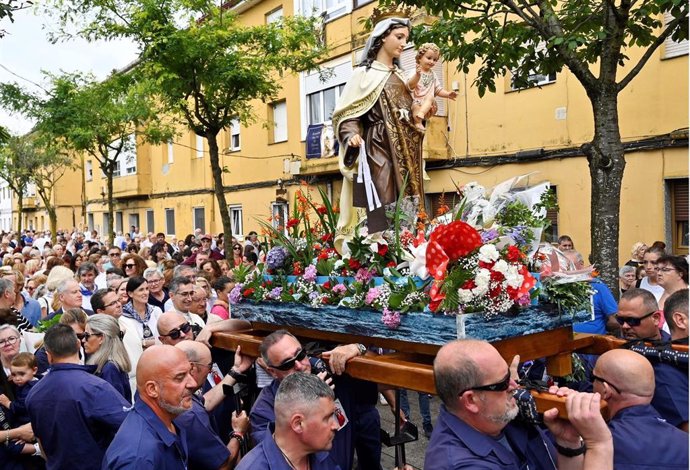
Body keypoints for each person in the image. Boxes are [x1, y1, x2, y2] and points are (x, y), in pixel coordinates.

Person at [332, 17, 424, 242]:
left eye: (406, 39)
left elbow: (411, 111)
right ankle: (377, 243)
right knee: (382, 190)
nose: (403, 43)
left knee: (407, 196)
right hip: (377, 144)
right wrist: (350, 134)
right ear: (383, 37)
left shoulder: (402, 77)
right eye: (399, 37)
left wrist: (421, 115)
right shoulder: (363, 75)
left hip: (405, 146)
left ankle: (404, 242)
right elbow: (348, 114)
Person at [250, 330, 379, 470]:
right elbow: (277, 461)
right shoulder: (263, 410)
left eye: (300, 355)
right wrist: (308, 401)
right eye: (287, 364)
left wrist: (358, 348)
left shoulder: (331, 373)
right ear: (272, 372)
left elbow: (387, 382)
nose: (299, 365)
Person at [425, 339, 562, 469]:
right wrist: (584, 438)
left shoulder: (497, 419)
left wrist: (569, 442)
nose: (515, 385)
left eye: (509, 374)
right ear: (471, 400)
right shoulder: (463, 464)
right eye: (503, 383)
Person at [551, 349, 688, 469]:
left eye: (594, 378)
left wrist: (574, 445)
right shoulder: (685, 442)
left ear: (606, 391)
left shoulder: (598, 444)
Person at [26, 324, 129, 470]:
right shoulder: (95, 387)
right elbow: (129, 427)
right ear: (78, 344)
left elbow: (42, 445)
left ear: (48, 355)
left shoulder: (34, 394)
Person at [102, 345, 196, 469]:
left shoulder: (170, 420)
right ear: (152, 389)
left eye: (190, 372)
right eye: (180, 378)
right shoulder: (138, 458)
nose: (193, 383)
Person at [617, 288, 687, 430]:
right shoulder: (663, 372)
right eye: (620, 320)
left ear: (656, 318)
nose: (625, 326)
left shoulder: (673, 347)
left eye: (632, 321)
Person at [238, 372, 340, 470]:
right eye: (327, 418)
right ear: (298, 424)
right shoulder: (254, 467)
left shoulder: (320, 456)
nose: (336, 425)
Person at [174, 340, 249, 470]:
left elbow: (205, 402)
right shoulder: (191, 415)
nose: (210, 372)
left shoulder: (174, 391)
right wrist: (238, 433)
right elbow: (223, 466)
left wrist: (236, 370)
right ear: (192, 368)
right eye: (209, 366)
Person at [407, 42, 457, 131]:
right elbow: (410, 85)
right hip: (417, 101)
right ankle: (418, 122)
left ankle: (421, 114)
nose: (431, 62)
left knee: (430, 97)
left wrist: (448, 94)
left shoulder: (433, 74)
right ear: (419, 58)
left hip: (429, 103)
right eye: (429, 58)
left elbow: (438, 89)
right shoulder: (414, 72)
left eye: (435, 60)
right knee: (415, 108)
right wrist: (417, 75)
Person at [83, 314, 133, 402]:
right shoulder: (107, 365)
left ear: (101, 338)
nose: (83, 340)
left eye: (87, 335)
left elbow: (113, 406)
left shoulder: (110, 368)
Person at [120, 276, 163, 350]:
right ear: (130, 294)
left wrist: (144, 343)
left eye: (147, 289)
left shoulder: (156, 311)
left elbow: (164, 337)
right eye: (141, 290)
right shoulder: (122, 316)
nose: (145, 293)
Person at [0, 352, 38, 425]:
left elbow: (22, 407)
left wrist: (8, 403)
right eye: (14, 374)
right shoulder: (35, 381)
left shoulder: (29, 389)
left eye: (21, 374)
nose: (17, 378)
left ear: (34, 370)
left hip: (28, 422)